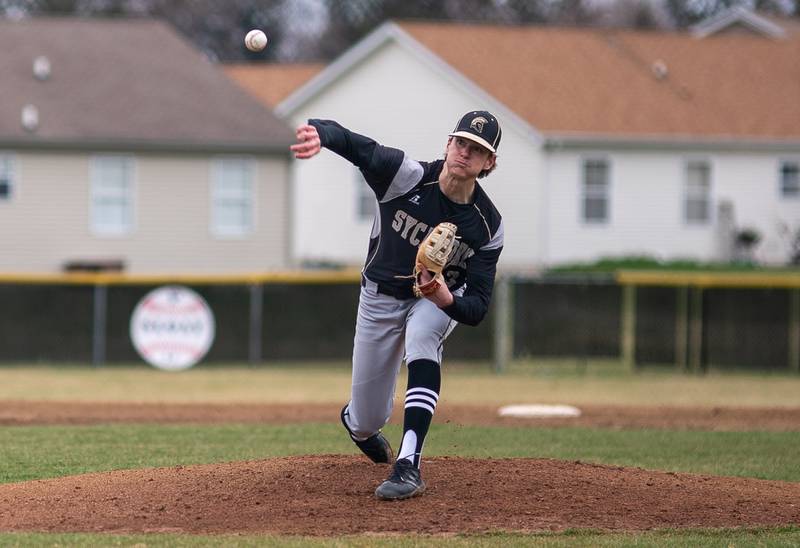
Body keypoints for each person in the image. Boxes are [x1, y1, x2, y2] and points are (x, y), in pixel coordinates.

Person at [290, 111, 504, 500]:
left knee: (423, 334)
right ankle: (357, 424)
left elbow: (477, 307)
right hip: (379, 298)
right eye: (461, 143)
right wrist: (318, 134)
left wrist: (445, 298)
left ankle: (408, 464)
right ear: (448, 143)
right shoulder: (404, 177)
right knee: (367, 419)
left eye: (478, 150)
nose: (465, 153)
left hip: (432, 300)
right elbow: (355, 144)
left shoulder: (487, 226)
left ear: (489, 163)